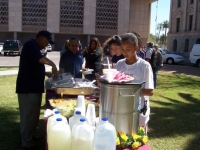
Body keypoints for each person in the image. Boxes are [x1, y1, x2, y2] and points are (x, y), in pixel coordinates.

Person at [16, 30, 58, 150]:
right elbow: (40, 59)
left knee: (34, 116)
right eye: (46, 41)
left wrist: (46, 73)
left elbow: (33, 66)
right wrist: (53, 65)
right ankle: (26, 143)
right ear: (39, 37)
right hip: (27, 89)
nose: (47, 44)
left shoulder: (35, 48)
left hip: (34, 88)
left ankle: (30, 137)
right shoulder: (31, 44)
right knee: (28, 116)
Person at [114, 32, 154, 133]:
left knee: (137, 140)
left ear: (136, 48)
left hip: (139, 110)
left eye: (128, 49)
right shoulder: (119, 64)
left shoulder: (144, 66)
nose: (124, 52)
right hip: (122, 108)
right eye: (123, 49)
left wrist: (129, 91)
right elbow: (114, 84)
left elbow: (150, 91)